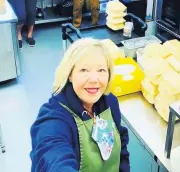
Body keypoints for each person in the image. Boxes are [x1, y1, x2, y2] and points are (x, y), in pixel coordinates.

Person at [30, 38, 130, 171]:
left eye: (101, 70)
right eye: (84, 70)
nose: (94, 79)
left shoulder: (109, 102)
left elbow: (121, 147)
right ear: (70, 74)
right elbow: (52, 155)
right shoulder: (54, 118)